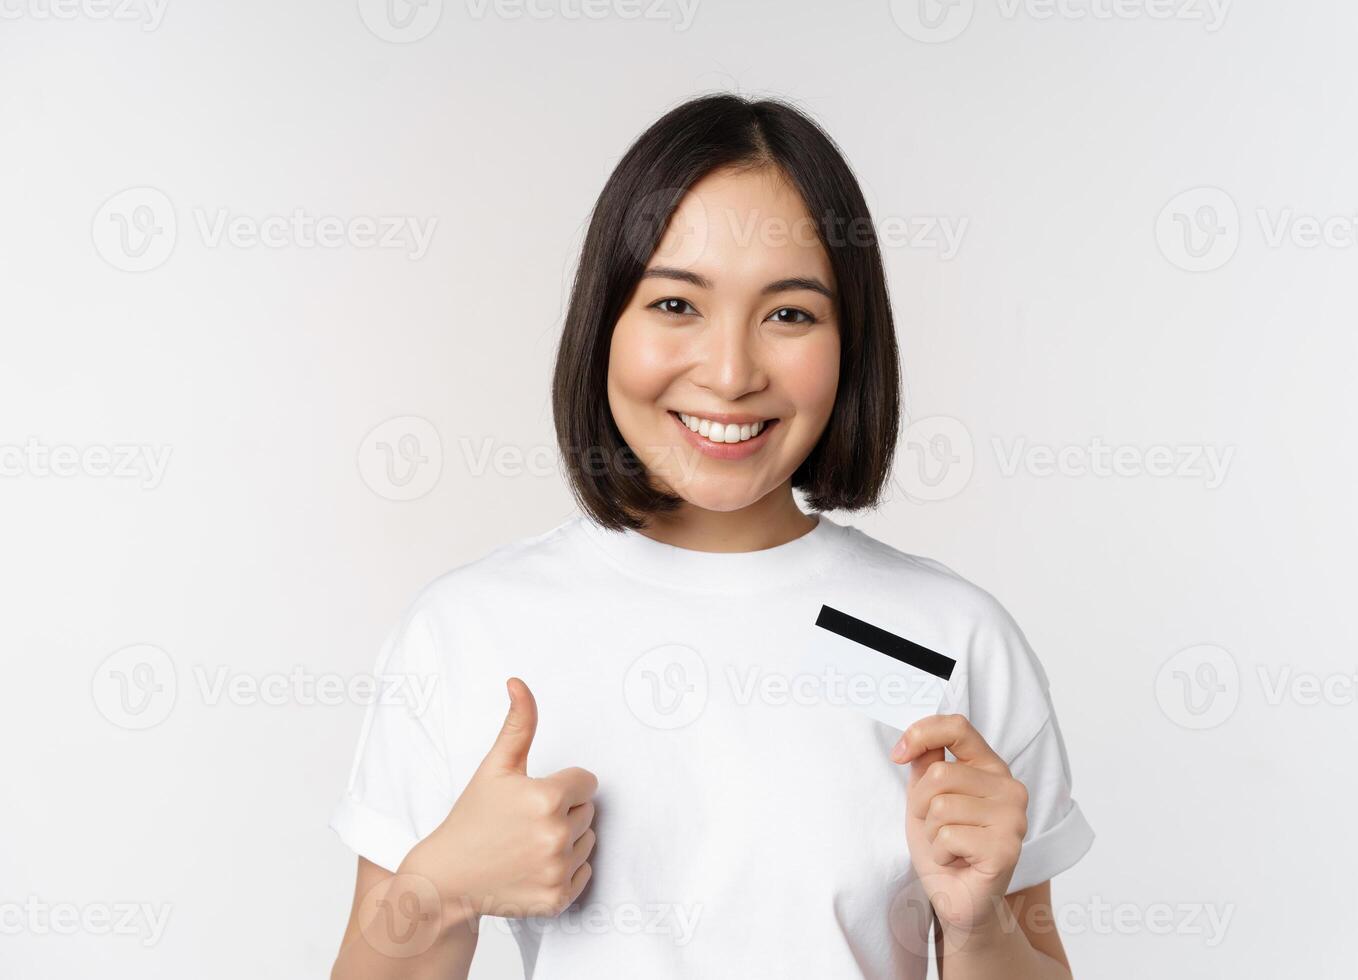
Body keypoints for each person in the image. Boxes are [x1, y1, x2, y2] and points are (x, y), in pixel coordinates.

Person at [328, 92, 1094, 980]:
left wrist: (976, 928)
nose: (731, 375)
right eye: (677, 306)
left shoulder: (952, 640)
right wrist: (443, 891)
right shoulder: (469, 632)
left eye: (789, 314)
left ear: (852, 343)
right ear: (604, 322)